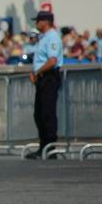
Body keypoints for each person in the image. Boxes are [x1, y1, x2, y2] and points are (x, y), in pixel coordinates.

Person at [26, 11, 64, 160]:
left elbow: (52, 61)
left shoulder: (52, 37)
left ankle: (49, 146)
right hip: (43, 77)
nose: (36, 24)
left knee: (47, 113)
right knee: (39, 113)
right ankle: (44, 145)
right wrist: (35, 72)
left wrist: (38, 72)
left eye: (38, 21)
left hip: (49, 77)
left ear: (45, 22)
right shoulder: (44, 38)